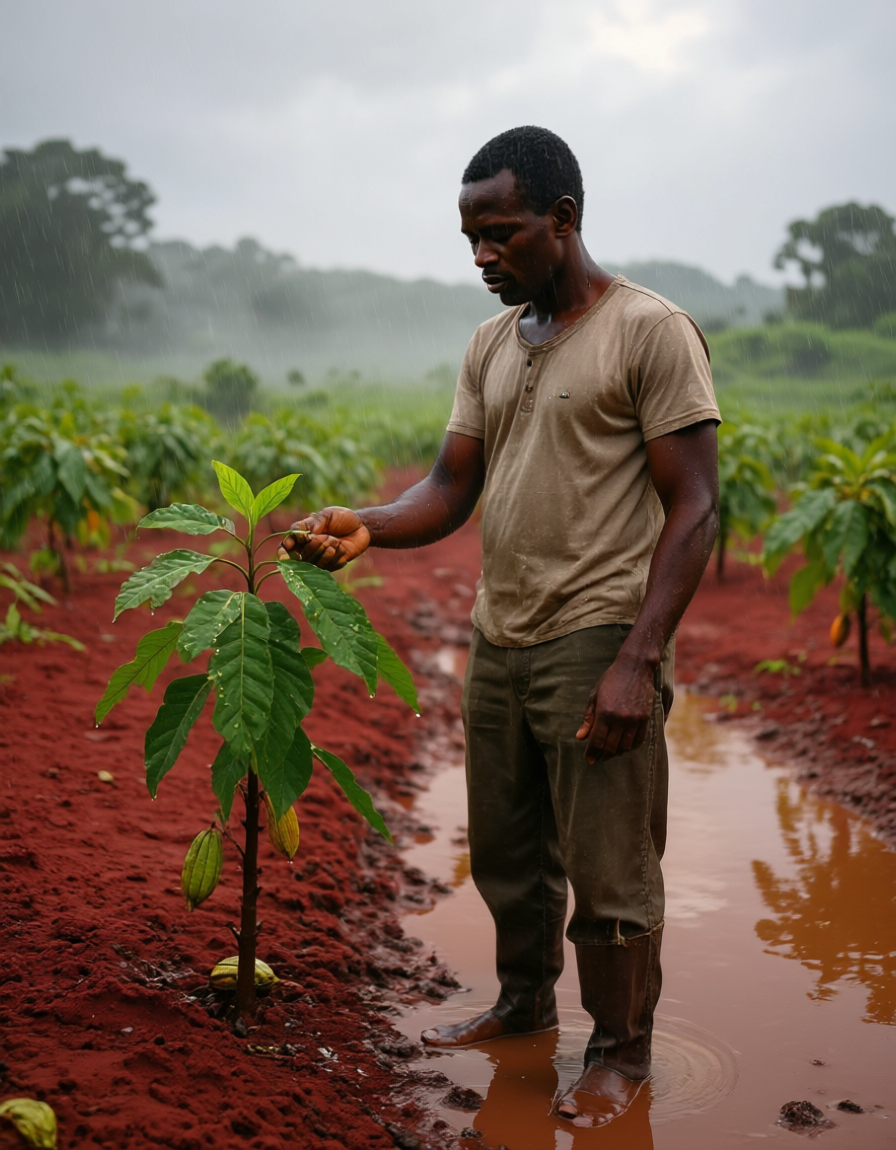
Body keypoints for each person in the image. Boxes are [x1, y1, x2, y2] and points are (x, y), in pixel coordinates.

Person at [280, 125, 720, 1128]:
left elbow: (694, 506)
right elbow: (448, 486)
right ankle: (522, 1007)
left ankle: (617, 1057)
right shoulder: (489, 342)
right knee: (510, 851)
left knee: (610, 867)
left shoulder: (649, 331)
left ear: (561, 221)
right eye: (469, 236)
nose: (481, 254)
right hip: (502, 632)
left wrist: (634, 661)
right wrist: (368, 525)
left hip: (596, 634)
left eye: (500, 233)